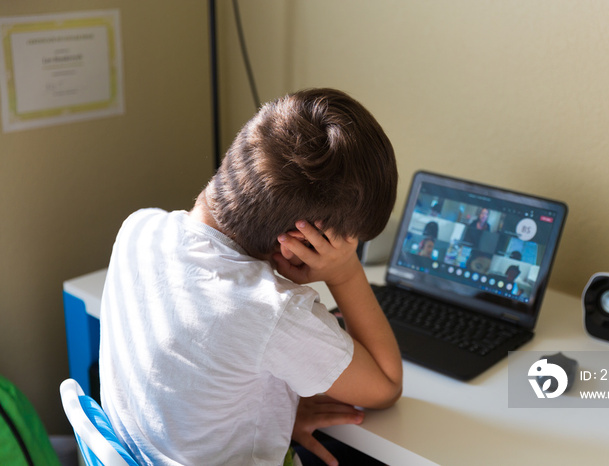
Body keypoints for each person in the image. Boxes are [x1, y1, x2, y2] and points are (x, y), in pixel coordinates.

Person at [99, 88, 403, 466]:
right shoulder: (273, 310)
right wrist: (345, 273)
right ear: (302, 240)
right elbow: (387, 386)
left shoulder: (139, 229)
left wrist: (277, 414)